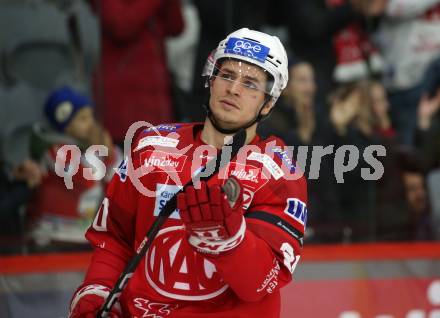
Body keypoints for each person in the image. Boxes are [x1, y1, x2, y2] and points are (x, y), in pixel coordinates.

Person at [69, 28, 307, 317]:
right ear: (211, 79)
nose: (233, 89)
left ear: (268, 102)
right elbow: (114, 240)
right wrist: (98, 292)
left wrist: (231, 244)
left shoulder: (278, 172)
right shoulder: (151, 146)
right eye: (227, 75)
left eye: (250, 84)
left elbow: (260, 285)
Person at [26, 86, 121, 250]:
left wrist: (109, 152)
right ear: (65, 124)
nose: (91, 124)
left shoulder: (91, 149)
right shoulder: (54, 150)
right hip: (52, 236)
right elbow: (85, 180)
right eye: (83, 119)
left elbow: (118, 181)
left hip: (82, 235)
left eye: (91, 117)